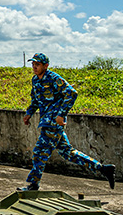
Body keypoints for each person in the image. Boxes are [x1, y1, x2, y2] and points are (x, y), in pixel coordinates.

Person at [20, 53, 115, 191]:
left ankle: (33, 185)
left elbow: (72, 93)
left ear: (45, 66)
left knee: (39, 153)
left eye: (38, 64)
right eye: (33, 64)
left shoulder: (54, 78)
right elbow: (35, 99)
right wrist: (29, 113)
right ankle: (104, 169)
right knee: (68, 153)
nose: (34, 67)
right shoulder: (35, 80)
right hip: (46, 120)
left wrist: (61, 114)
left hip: (53, 122)